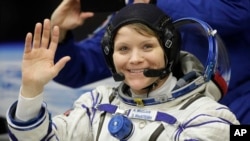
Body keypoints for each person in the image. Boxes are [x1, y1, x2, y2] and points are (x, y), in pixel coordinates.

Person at [6, 4, 239, 140]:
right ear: (111, 56)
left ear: (169, 52)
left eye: (147, 46)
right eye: (123, 49)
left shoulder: (206, 117)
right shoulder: (96, 104)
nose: (135, 59)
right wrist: (31, 90)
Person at [51, 0, 250, 124]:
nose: (135, 58)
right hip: (171, 115)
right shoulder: (138, 7)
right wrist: (59, 35)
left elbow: (239, 11)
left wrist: (155, 5)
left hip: (239, 109)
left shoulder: (148, 4)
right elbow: (80, 68)